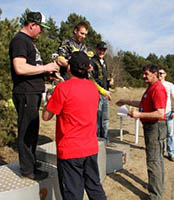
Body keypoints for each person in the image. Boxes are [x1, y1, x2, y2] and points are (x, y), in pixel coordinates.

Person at [42, 51, 107, 200]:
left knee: (72, 194)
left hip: (70, 150)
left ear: (69, 68)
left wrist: (49, 97)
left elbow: (46, 116)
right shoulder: (92, 88)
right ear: (88, 69)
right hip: (90, 148)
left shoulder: (62, 89)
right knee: (94, 188)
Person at [9, 11, 59, 180]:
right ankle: (28, 170)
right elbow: (20, 68)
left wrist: (47, 74)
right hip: (25, 93)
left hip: (33, 92)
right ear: (32, 25)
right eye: (41, 28)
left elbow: (31, 68)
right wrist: (45, 67)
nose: (42, 32)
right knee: (26, 131)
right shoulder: (20, 41)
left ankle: (31, 161)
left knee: (32, 130)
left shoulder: (28, 42)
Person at [116, 64, 167, 200]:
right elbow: (144, 103)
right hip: (152, 127)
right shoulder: (151, 88)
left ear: (155, 74)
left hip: (155, 127)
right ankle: (158, 188)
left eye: (146, 74)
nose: (143, 76)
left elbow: (159, 113)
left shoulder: (158, 89)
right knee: (157, 160)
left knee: (153, 161)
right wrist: (126, 101)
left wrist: (139, 115)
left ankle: (155, 196)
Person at [91, 41, 114, 145]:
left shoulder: (104, 62)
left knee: (105, 118)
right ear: (96, 49)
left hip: (106, 93)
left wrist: (110, 81)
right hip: (96, 93)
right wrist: (101, 90)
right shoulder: (92, 62)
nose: (102, 51)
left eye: (104, 50)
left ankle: (105, 139)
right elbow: (92, 79)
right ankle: (97, 140)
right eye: (100, 49)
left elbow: (105, 77)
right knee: (97, 118)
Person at [159, 67, 174, 162]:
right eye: (158, 73)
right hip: (159, 114)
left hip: (169, 112)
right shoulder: (155, 85)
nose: (160, 75)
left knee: (170, 133)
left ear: (165, 74)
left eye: (161, 73)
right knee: (160, 134)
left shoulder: (170, 85)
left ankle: (171, 153)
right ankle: (160, 152)